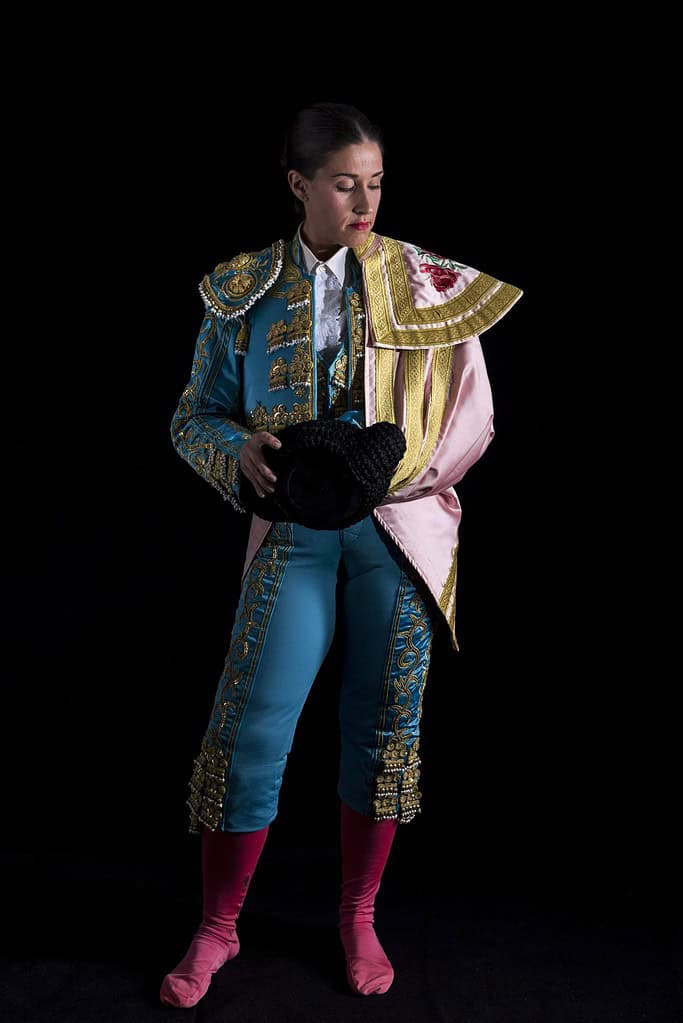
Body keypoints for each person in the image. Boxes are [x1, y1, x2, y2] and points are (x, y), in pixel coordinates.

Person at [160, 102, 523, 1008]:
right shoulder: (243, 288)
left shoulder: (425, 281)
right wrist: (233, 452)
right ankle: (216, 927)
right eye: (342, 183)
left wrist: (400, 471)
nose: (363, 200)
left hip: (394, 532)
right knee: (250, 731)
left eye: (375, 182)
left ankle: (358, 916)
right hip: (291, 535)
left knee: (384, 729)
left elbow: (474, 413)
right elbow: (192, 414)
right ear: (298, 185)